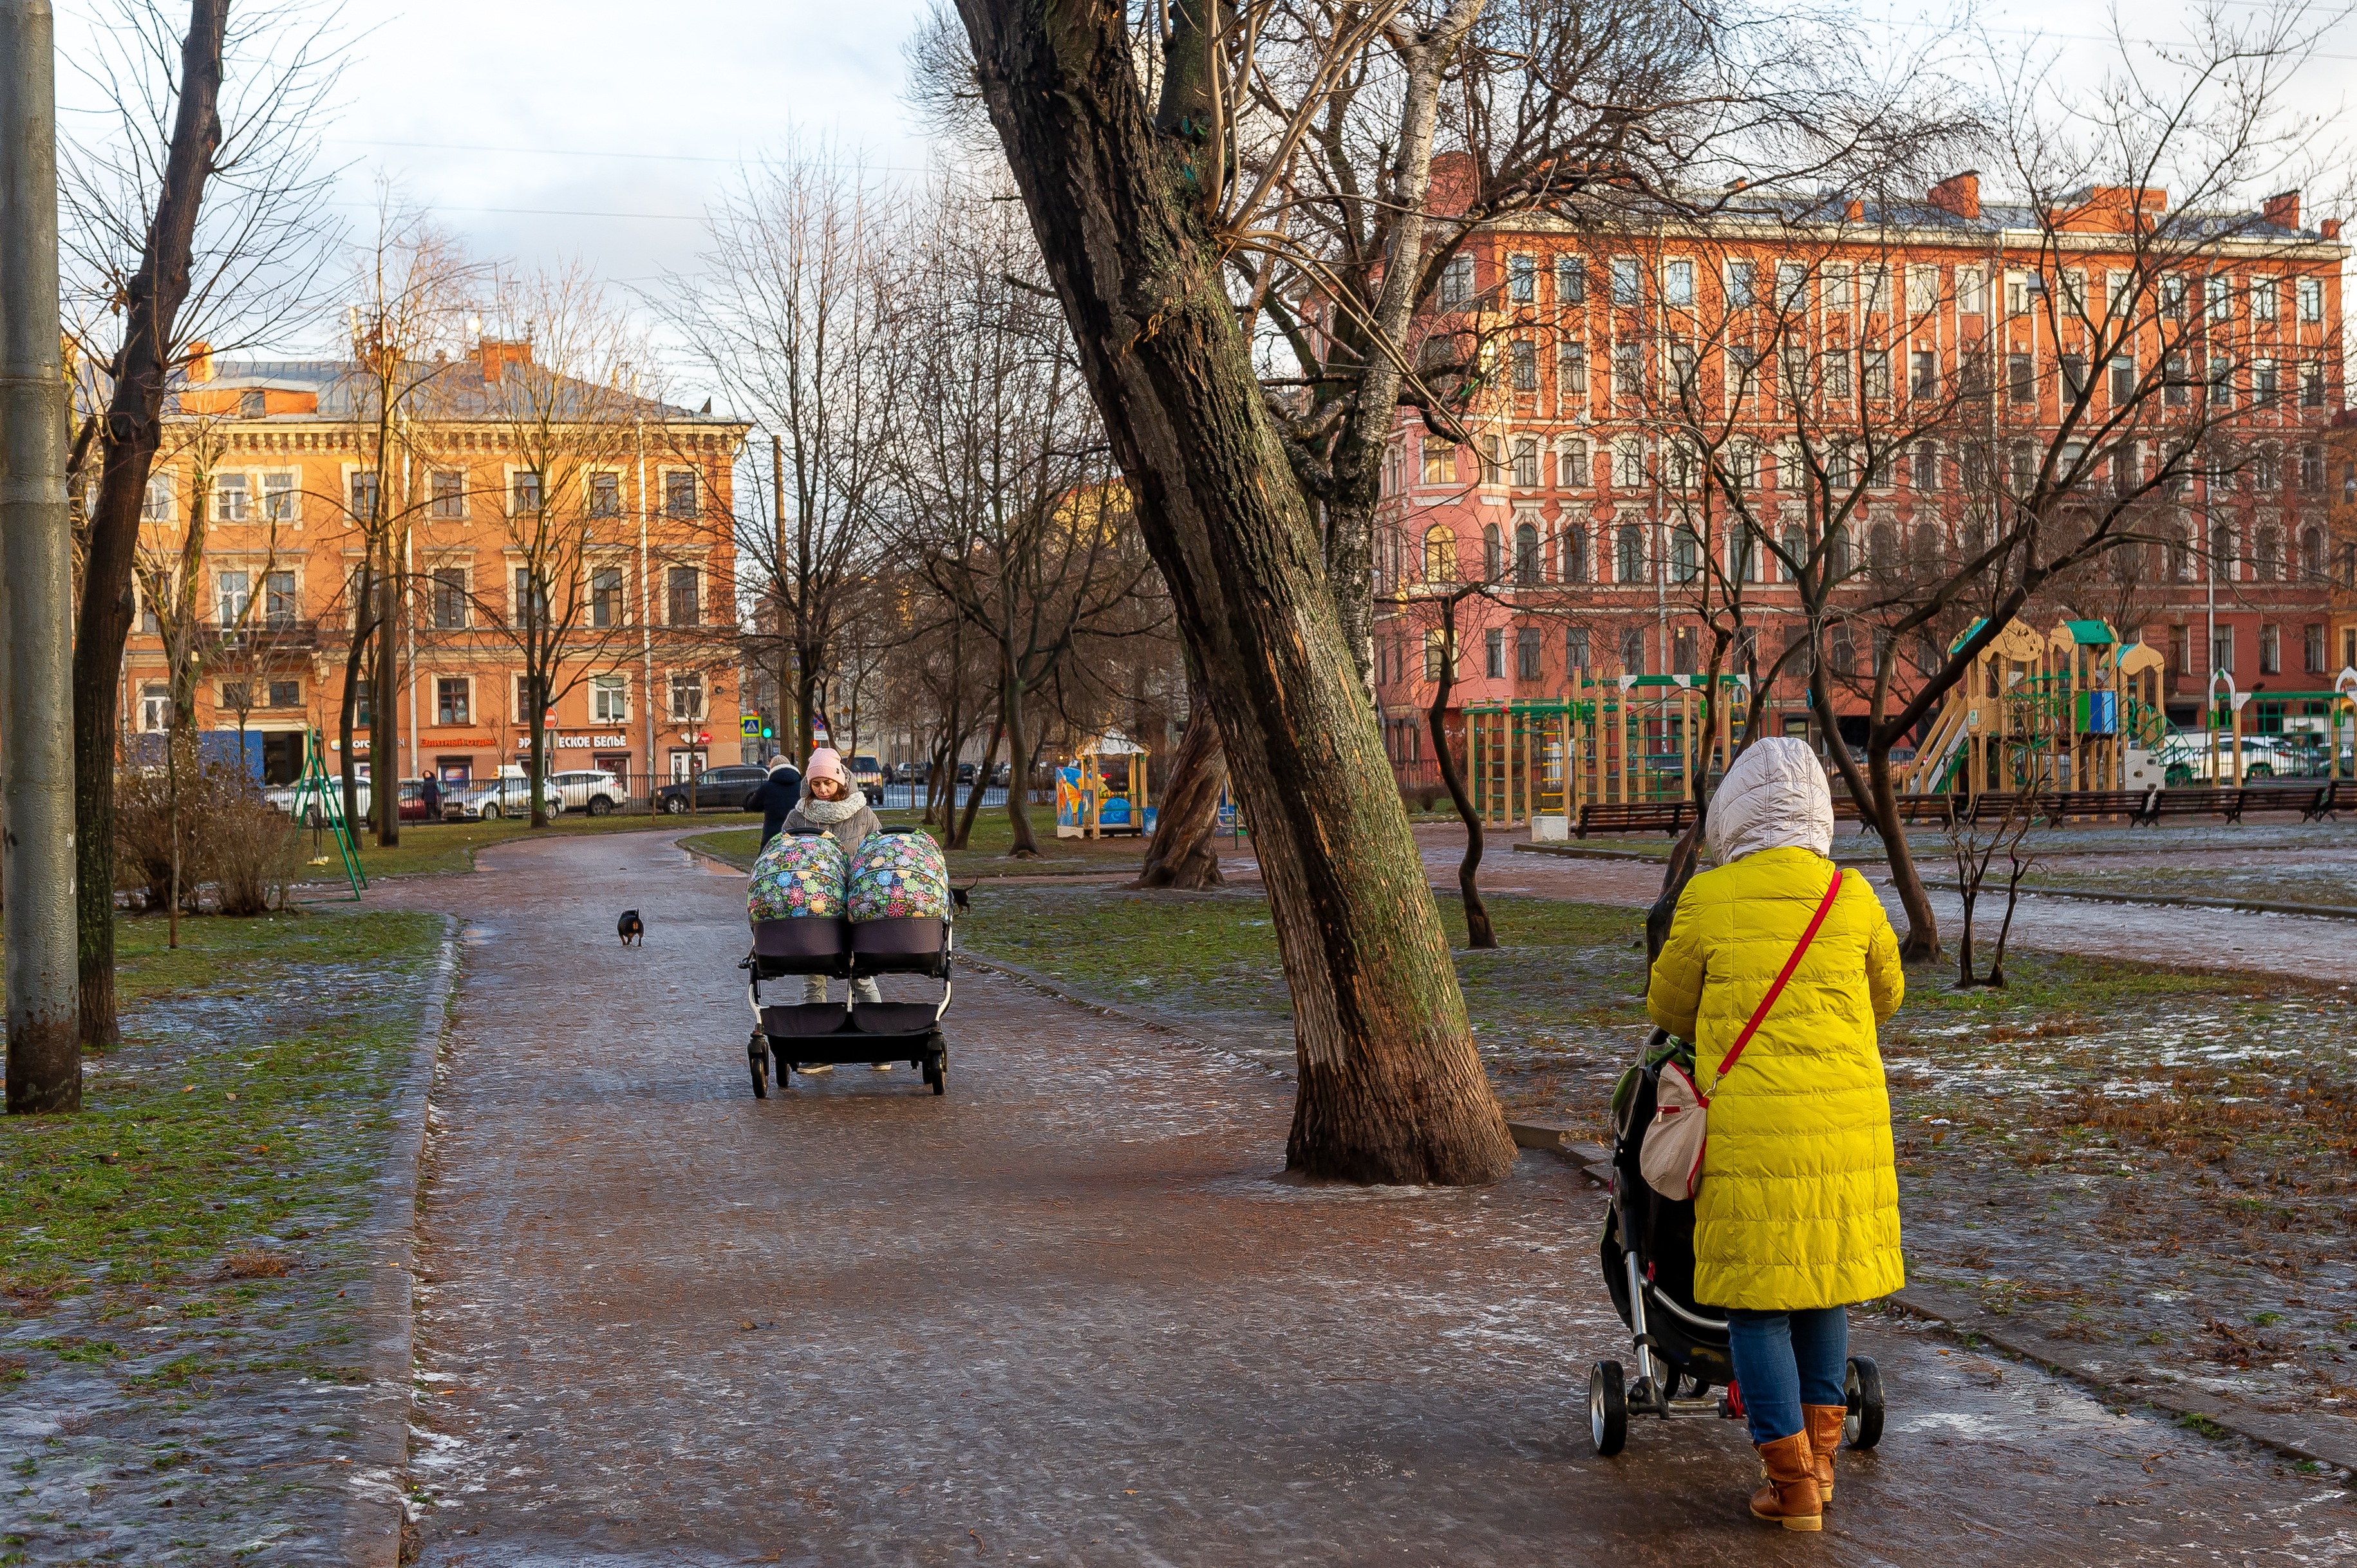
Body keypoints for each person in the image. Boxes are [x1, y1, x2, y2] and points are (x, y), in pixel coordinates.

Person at [1644, 736, 1904, 1533]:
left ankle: (1790, 1484)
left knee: (1756, 1308)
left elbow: (1668, 1009)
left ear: (1735, 813)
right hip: (1844, 1131)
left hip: (1753, 1135)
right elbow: (1888, 994)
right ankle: (1819, 1472)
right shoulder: (1852, 897)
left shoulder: (1709, 899)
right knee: (1823, 1292)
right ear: (1818, 812)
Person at [782, 749, 888, 1069]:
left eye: (827, 783)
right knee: (814, 974)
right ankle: (818, 1051)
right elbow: (783, 851)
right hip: (813, 907)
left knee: (861, 973)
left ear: (840, 781)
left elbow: (879, 852)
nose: (822, 790)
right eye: (816, 784)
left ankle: (882, 1045)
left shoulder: (863, 814)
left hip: (854, 903)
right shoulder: (799, 814)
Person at [750, 753, 802, 846]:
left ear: (772, 768)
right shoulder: (802, 786)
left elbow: (752, 806)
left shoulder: (766, 787)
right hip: (797, 833)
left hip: (772, 835)